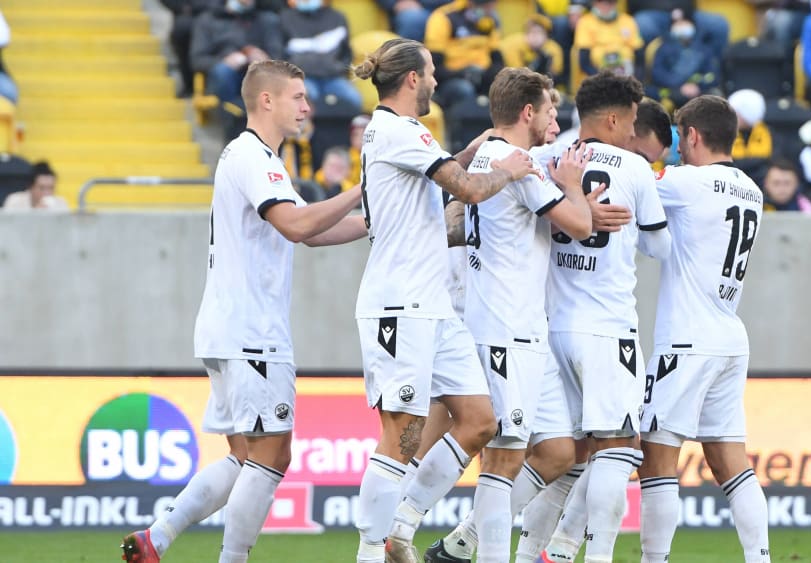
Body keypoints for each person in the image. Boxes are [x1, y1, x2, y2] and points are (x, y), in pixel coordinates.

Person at [120, 59, 369, 563]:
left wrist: (378, 220)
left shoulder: (259, 158)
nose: (307, 105)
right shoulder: (255, 157)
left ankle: (158, 538)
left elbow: (311, 233)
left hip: (227, 328)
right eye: (298, 96)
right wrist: (365, 188)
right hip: (252, 332)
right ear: (267, 100)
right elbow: (299, 226)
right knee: (274, 455)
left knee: (245, 456)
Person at [349, 38, 536, 563]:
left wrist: (476, 148)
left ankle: (400, 527)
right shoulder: (399, 130)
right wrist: (511, 170)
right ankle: (371, 552)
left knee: (479, 420)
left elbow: (443, 178)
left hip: (432, 306)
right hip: (399, 305)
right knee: (402, 434)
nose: (435, 81)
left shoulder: (402, 136)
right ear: (412, 79)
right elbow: (470, 190)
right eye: (430, 73)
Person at [440, 67, 594, 563]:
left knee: (556, 450)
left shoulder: (489, 157)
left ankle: (457, 541)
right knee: (502, 459)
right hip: (505, 326)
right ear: (528, 112)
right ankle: (400, 523)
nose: (555, 117)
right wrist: (571, 186)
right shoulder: (517, 161)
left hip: (526, 327)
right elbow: (579, 224)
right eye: (550, 109)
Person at [536, 72, 674, 563]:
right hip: (607, 326)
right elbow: (660, 247)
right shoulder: (635, 169)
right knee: (619, 449)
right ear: (614, 119)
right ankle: (587, 555)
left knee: (569, 457)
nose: (634, 132)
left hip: (551, 327)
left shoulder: (549, 158)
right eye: (633, 121)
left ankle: (543, 551)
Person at [640, 95, 770, 563]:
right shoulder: (752, 190)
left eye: (678, 135)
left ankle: (654, 560)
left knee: (656, 458)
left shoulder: (686, 182)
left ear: (692, 136)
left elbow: (632, 180)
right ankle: (760, 557)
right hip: (730, 338)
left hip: (686, 339)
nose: (674, 147)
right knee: (731, 465)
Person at [279, 0, 362, 112]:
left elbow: (346, 52)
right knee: (303, 101)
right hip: (302, 77)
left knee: (354, 100)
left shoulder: (337, 17)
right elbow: (279, 53)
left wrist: (339, 68)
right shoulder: (285, 18)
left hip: (333, 77)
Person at [424, 0, 504, 110]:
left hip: (482, 75)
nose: (491, 10)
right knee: (464, 89)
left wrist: (489, 75)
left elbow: (497, 59)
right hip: (451, 79)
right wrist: (463, 73)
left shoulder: (490, 20)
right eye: (488, 6)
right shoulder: (444, 17)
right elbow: (434, 67)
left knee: (502, 85)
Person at [2, 161, 68, 211]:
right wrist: (35, 213)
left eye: (51, 188)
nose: (47, 192)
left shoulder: (60, 203)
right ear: (31, 187)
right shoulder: (14, 201)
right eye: (42, 188)